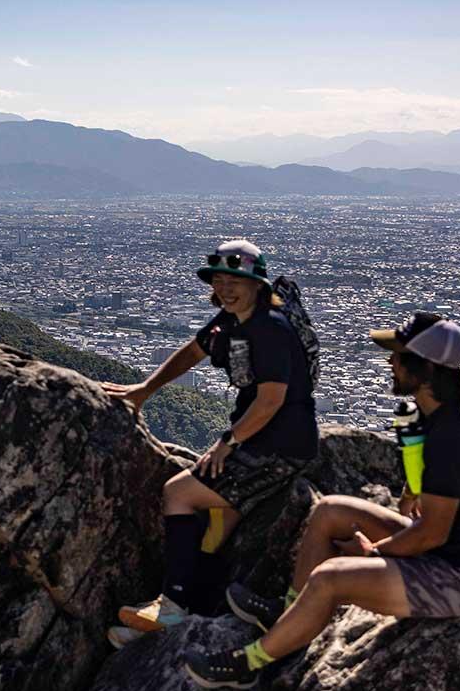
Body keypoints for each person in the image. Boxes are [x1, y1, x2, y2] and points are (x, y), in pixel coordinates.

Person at [184, 314, 460, 690]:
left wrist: (375, 554)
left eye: (398, 356)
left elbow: (431, 535)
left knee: (329, 579)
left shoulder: (453, 438)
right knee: (330, 511)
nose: (390, 363)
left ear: (425, 370)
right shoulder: (449, 414)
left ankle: (249, 664)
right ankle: (291, 615)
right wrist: (407, 500)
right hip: (454, 551)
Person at [104, 239, 319, 646]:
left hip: (277, 446)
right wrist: (145, 389)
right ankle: (191, 612)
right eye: (219, 280)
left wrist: (227, 441)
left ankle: (172, 608)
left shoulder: (269, 327)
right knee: (217, 524)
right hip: (264, 439)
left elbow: (272, 399)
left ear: (258, 283)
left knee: (178, 495)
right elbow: (194, 352)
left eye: (235, 280)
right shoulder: (230, 320)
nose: (225, 288)